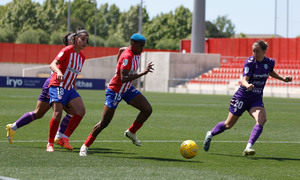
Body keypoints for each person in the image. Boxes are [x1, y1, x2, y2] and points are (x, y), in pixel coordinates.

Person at [203, 40, 293, 156]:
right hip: (242, 97)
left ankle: (248, 147)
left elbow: (270, 72)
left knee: (262, 119)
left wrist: (283, 79)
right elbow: (244, 80)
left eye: (257, 51)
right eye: (253, 51)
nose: (255, 53)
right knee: (228, 125)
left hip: (255, 99)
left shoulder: (270, 62)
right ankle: (210, 134)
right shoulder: (250, 62)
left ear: (264, 51)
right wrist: (247, 85)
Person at [79, 33, 154, 156]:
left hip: (127, 89)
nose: (142, 49)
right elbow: (123, 78)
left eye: (143, 47)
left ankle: (131, 132)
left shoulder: (134, 51)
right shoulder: (127, 57)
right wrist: (143, 72)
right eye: (140, 46)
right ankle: (85, 145)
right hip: (115, 90)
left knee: (147, 109)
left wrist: (117, 64)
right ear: (133, 44)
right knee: (104, 122)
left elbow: (120, 49)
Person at [6, 33, 76, 144]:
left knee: (68, 111)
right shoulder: (66, 52)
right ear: (70, 42)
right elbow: (55, 65)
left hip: (62, 86)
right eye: (74, 39)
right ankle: (57, 137)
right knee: (42, 113)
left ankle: (13, 127)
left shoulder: (75, 54)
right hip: (54, 85)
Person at [46, 27, 89, 152]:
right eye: (82, 39)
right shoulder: (67, 50)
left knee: (81, 111)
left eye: (87, 40)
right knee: (57, 113)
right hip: (57, 85)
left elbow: (73, 73)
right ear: (76, 39)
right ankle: (50, 144)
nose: (85, 42)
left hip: (69, 88)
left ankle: (64, 138)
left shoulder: (82, 57)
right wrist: (59, 72)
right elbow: (52, 64)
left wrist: (74, 84)